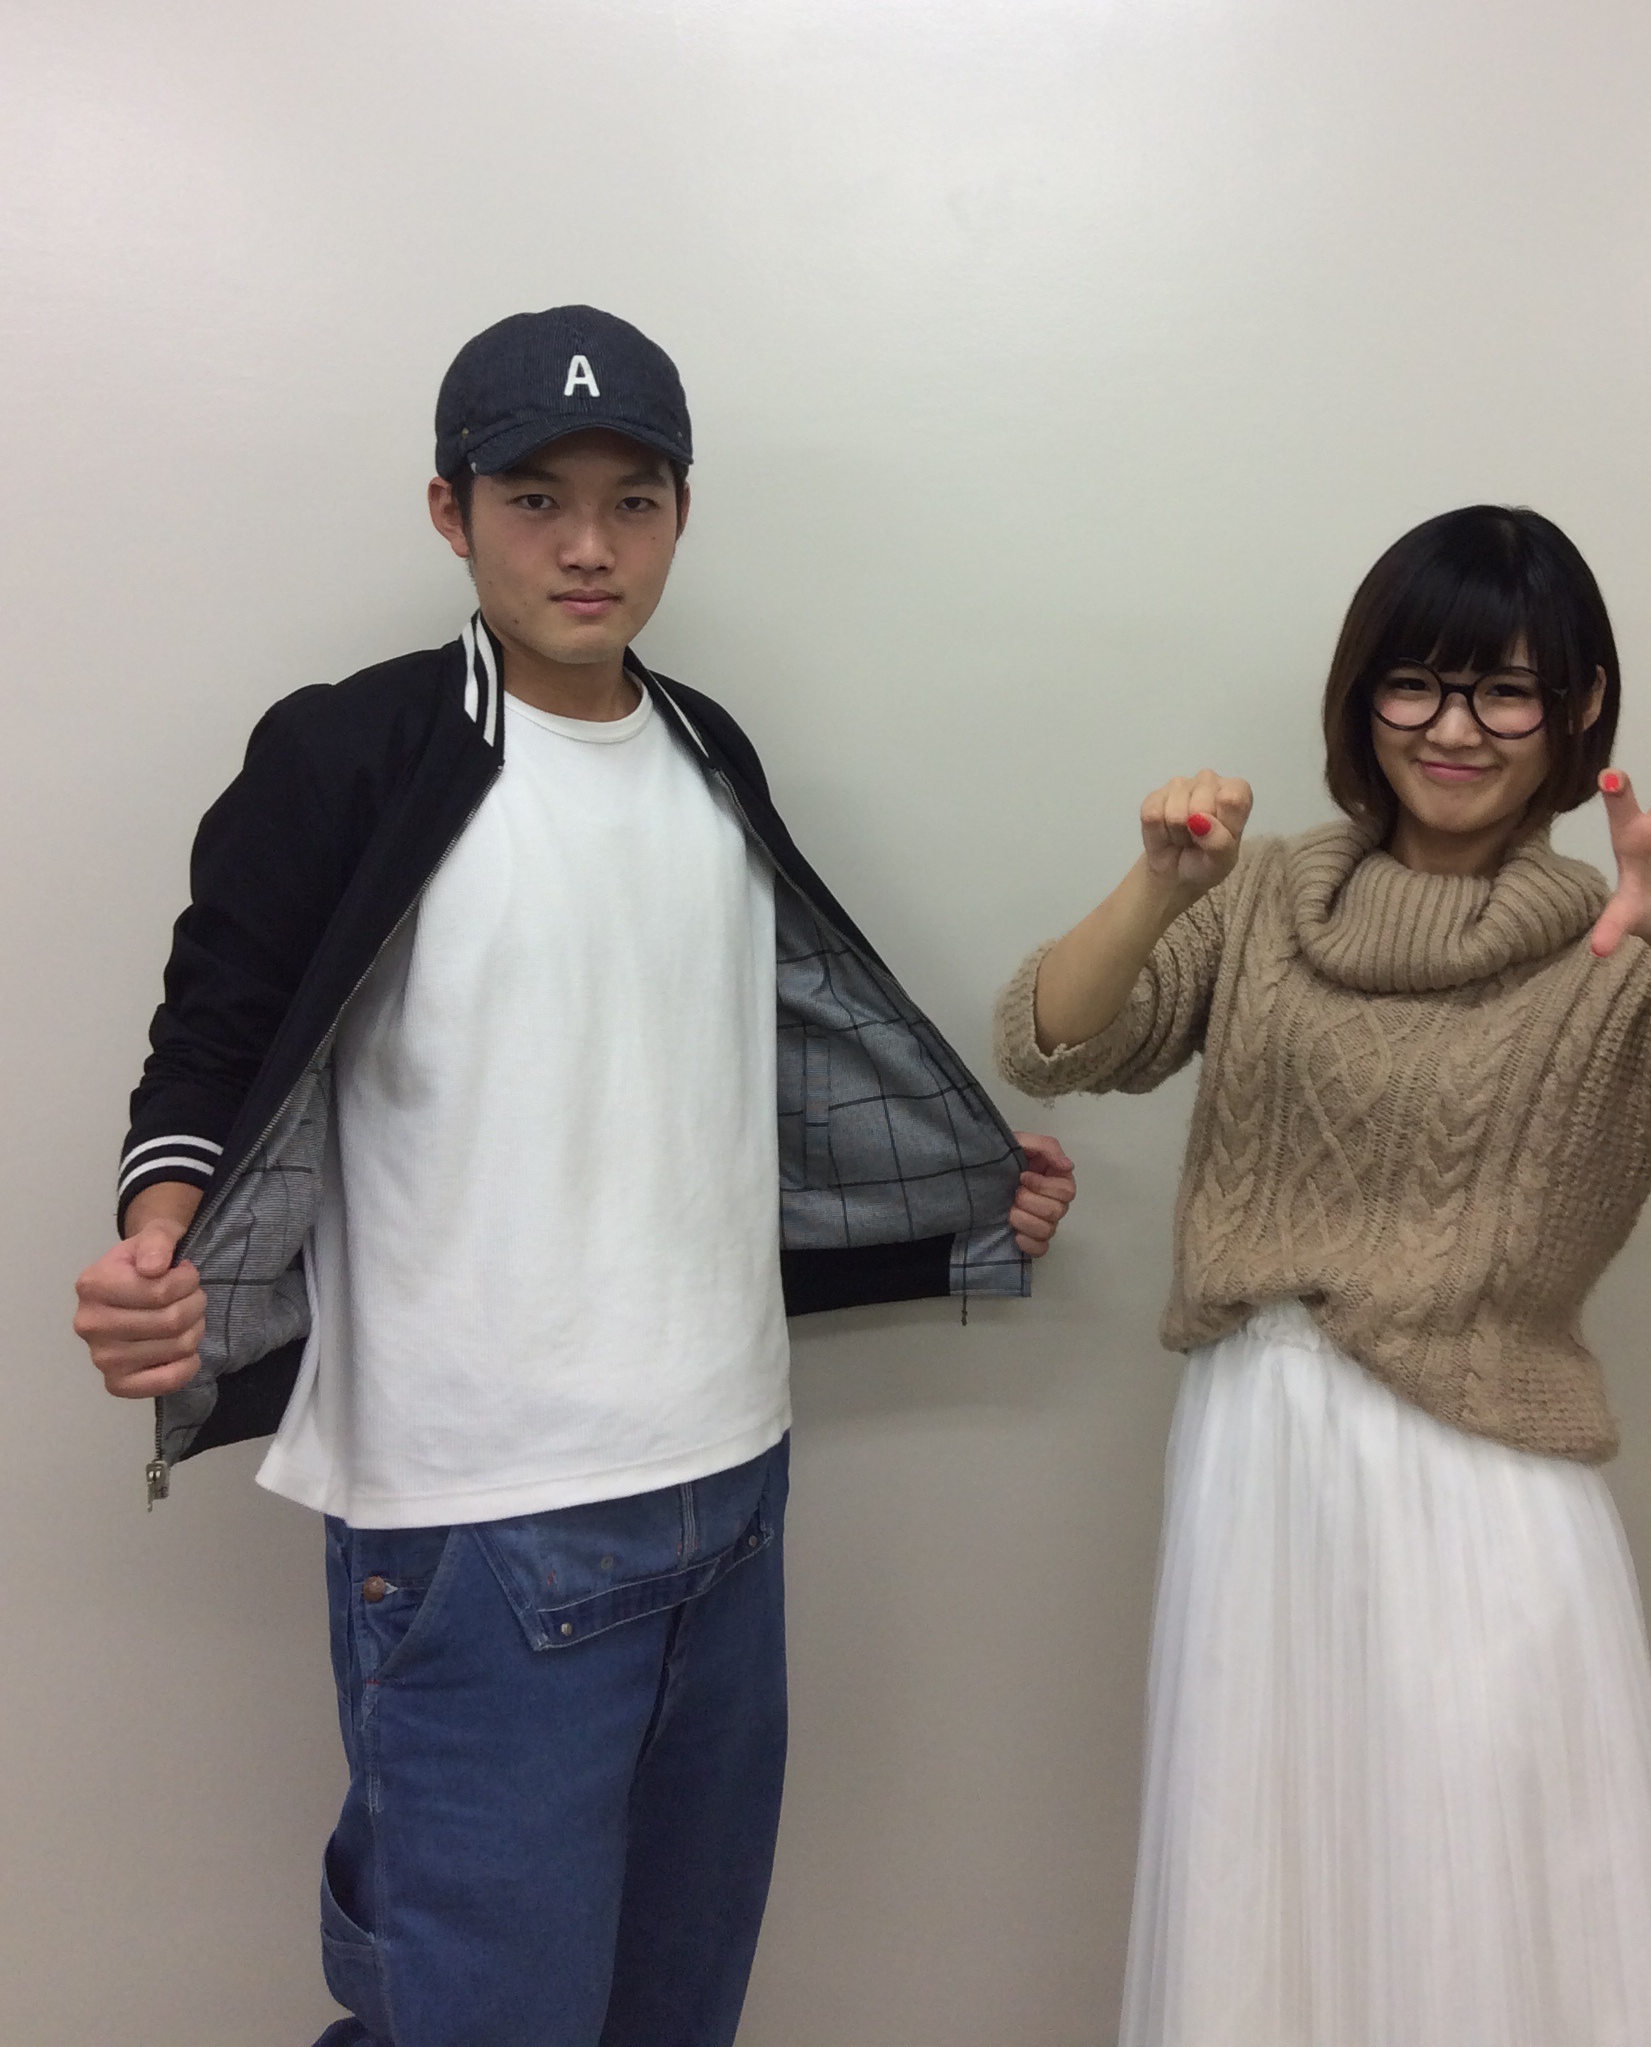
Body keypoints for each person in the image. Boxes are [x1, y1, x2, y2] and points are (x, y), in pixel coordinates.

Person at [73, 304, 1075, 2047]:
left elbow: (725, 1087)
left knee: (675, 2011)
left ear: (683, 515)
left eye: (634, 501)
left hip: (732, 1480)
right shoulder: (358, 752)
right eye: (536, 499)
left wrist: (953, 1213)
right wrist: (159, 1252)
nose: (589, 546)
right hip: (477, 1515)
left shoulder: (707, 751)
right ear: (449, 513)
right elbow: (212, 1040)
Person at [993, 502, 1651, 2047]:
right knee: (1266, 1879)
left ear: (1581, 707)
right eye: (1415, 682)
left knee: (1480, 1895)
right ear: (1362, 695)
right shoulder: (1260, 896)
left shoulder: (1623, 953)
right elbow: (1052, 1039)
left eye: (1505, 690)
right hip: (1254, 1463)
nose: (1453, 728)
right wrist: (1159, 882)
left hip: (1477, 1486)